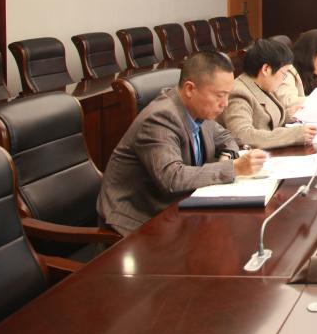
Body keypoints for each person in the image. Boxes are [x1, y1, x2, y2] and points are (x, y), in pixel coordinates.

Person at [97, 51, 267, 236]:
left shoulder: (198, 109)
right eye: (220, 95)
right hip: (140, 217)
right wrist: (234, 168)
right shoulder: (160, 118)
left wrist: (225, 158)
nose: (225, 103)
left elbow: (226, 137)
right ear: (190, 89)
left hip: (180, 204)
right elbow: (172, 178)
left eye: (228, 95)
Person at [219, 39, 317, 150]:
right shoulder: (239, 93)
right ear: (266, 69)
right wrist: (294, 134)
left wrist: (287, 116)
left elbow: (265, 120)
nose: (283, 79)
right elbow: (242, 136)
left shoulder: (261, 85)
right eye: (283, 73)